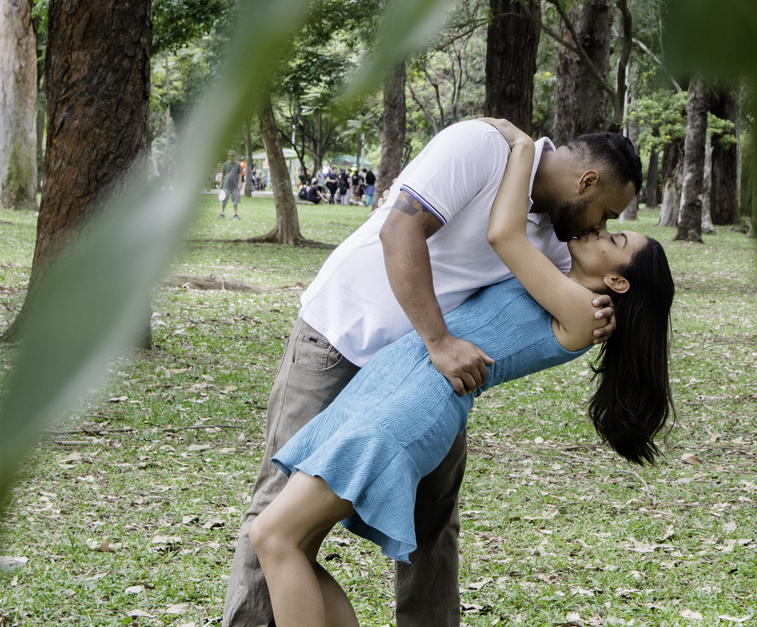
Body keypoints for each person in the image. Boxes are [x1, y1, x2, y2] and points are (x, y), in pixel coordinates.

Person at [250, 119, 673, 627]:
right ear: (586, 183)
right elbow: (407, 224)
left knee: (275, 536)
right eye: (608, 217)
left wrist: (520, 146)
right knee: (286, 539)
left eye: (612, 230)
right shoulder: (564, 263)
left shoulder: (586, 308)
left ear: (616, 281)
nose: (598, 228)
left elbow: (503, 234)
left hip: (412, 400)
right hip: (387, 376)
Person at [220, 150, 242, 219]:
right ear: (228, 156)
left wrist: (239, 184)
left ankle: (235, 214)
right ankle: (222, 214)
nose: (231, 157)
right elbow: (223, 175)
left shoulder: (238, 165)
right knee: (223, 200)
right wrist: (221, 183)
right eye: (230, 156)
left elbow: (240, 175)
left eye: (232, 155)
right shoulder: (225, 165)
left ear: (235, 156)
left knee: (235, 200)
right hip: (226, 185)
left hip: (235, 186)